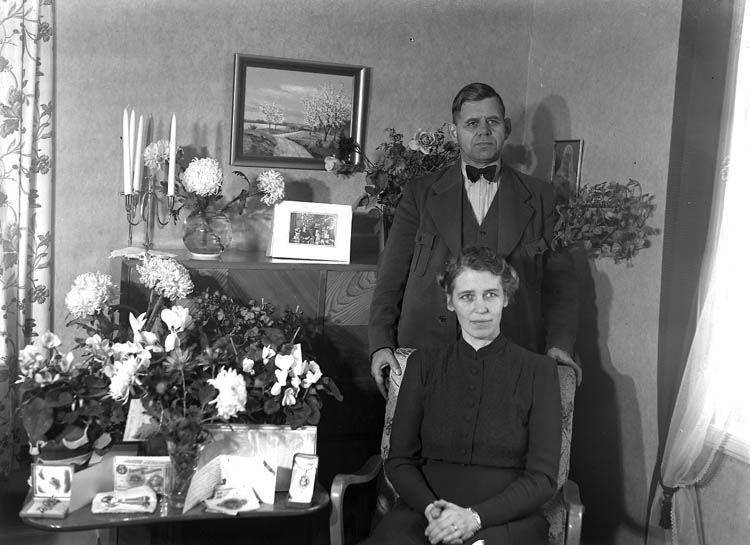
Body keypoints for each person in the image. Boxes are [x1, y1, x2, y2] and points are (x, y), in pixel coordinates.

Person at [368, 82, 580, 397]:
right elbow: (390, 277)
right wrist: (381, 344)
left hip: (513, 358)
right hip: (427, 355)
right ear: (455, 132)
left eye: (492, 121)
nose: (483, 131)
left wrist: (560, 344)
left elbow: (561, 287)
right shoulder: (420, 193)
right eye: (471, 123)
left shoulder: (542, 197)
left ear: (507, 128)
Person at [361, 246, 562, 545]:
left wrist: (474, 518)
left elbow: (543, 479)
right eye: (467, 296)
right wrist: (433, 511)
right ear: (450, 301)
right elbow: (399, 460)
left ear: (506, 298)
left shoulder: (539, 371)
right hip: (425, 512)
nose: (480, 308)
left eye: (491, 294)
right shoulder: (422, 365)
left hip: (505, 519)